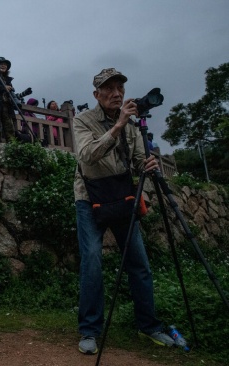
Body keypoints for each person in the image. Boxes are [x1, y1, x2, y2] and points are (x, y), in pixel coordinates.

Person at [73, 68, 174, 355]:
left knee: (138, 262)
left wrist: (148, 165)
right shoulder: (83, 120)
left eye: (120, 88)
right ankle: (90, 330)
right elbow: (87, 156)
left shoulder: (132, 124)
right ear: (96, 95)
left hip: (122, 195)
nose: (116, 94)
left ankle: (148, 326)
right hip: (89, 197)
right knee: (92, 260)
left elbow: (140, 159)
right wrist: (118, 125)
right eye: (109, 89)